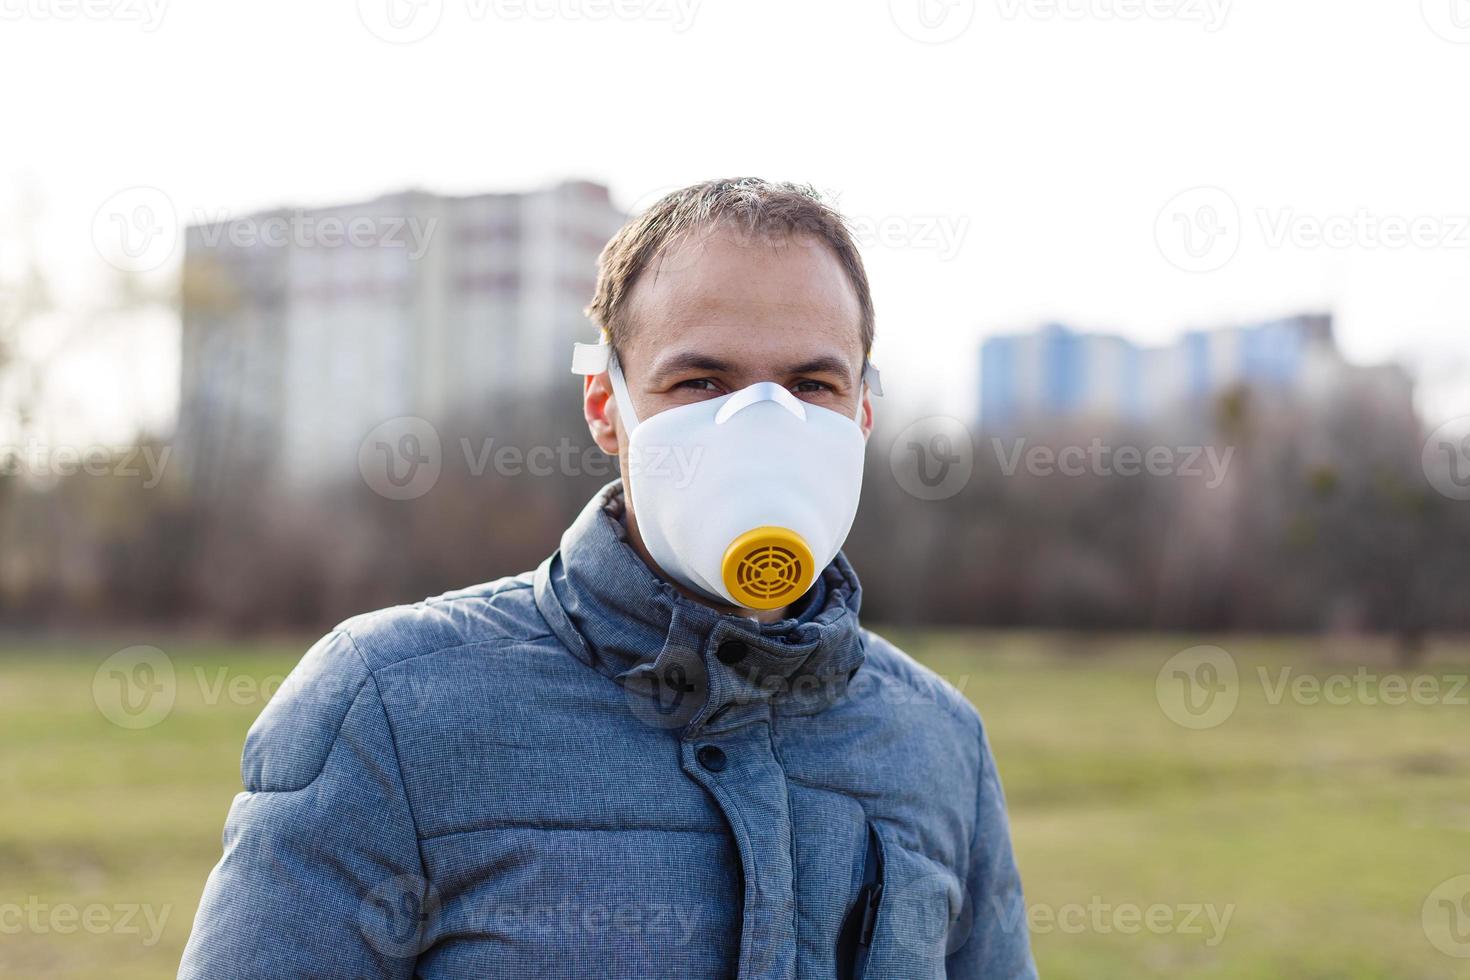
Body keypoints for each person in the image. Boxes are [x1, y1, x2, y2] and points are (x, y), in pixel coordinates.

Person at [179, 177, 1036, 979]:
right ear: (605, 406)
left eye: (812, 384)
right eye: (701, 381)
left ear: (863, 414)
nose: (763, 426)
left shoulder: (940, 745)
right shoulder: (390, 711)